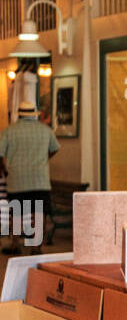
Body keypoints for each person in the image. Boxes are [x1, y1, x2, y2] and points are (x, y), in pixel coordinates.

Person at [0, 100, 59, 253]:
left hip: (17, 179)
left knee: (17, 211)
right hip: (40, 179)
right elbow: (55, 148)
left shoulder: (9, 131)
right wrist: (44, 158)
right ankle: (36, 246)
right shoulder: (46, 130)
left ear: (19, 114)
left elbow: (0, 155)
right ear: (34, 114)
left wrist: (4, 169)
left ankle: (15, 244)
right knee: (39, 213)